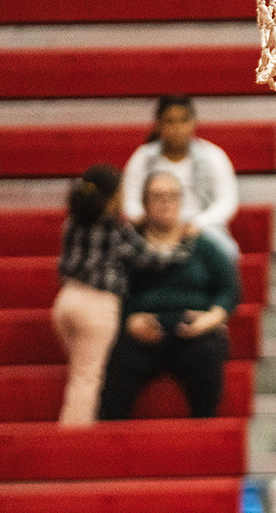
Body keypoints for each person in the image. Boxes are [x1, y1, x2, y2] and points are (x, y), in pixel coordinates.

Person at [98, 171, 238, 420]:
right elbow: (112, 293)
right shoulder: (127, 246)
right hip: (142, 335)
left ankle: (204, 439)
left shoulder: (203, 245)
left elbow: (229, 288)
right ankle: (111, 445)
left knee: (208, 353)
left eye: (172, 196)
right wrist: (129, 321)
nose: (165, 202)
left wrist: (211, 319)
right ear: (144, 203)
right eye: (157, 196)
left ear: (182, 202)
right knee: (117, 367)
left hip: (194, 333)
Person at [53, 164, 130, 427]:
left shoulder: (72, 222)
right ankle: (73, 441)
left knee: (81, 371)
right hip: (97, 305)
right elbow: (146, 256)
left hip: (66, 300)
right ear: (113, 198)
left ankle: (91, 423)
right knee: (86, 378)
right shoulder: (115, 229)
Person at [122, 95, 242, 261]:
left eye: (183, 120)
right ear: (158, 124)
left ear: (193, 122)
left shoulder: (213, 156)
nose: (177, 128)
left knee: (226, 250)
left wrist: (198, 223)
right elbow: (130, 202)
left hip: (202, 228)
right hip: (153, 228)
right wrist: (151, 223)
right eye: (170, 121)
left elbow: (227, 202)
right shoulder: (143, 157)